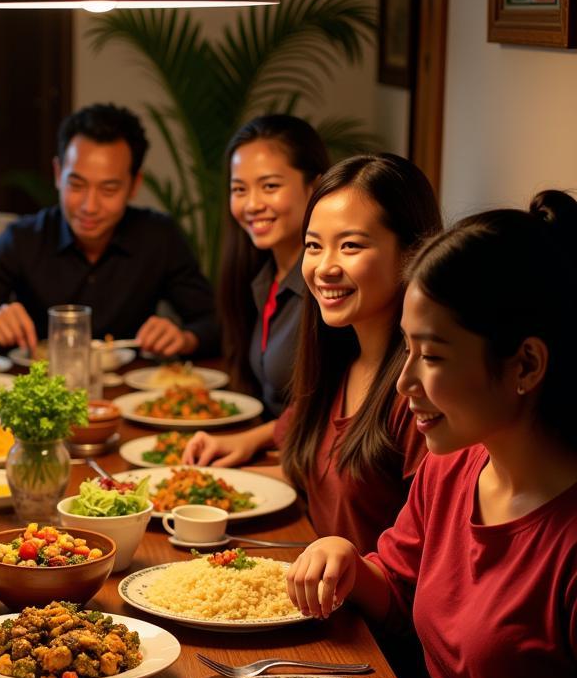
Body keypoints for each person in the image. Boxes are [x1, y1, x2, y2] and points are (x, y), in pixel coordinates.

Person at [285, 191, 577, 678]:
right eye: (406, 349)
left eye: (434, 356)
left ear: (527, 364)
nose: (406, 383)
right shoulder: (456, 469)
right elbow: (398, 582)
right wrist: (351, 560)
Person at [185, 154, 438, 555]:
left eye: (351, 245)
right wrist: (218, 465)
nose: (324, 268)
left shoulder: (420, 394)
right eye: (314, 246)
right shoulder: (340, 361)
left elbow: (424, 556)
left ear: (412, 252)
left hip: (363, 612)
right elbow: (306, 459)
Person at [0, 102, 218, 358]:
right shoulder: (24, 239)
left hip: (131, 400)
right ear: (57, 174)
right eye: (76, 185)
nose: (89, 206)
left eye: (109, 188)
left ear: (134, 185)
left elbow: (217, 322)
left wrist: (185, 338)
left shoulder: (159, 237)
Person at [217, 115, 329, 419]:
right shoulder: (263, 275)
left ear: (315, 186)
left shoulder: (328, 284)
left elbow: (328, 413)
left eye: (269, 186)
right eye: (239, 189)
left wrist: (251, 441)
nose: (252, 204)